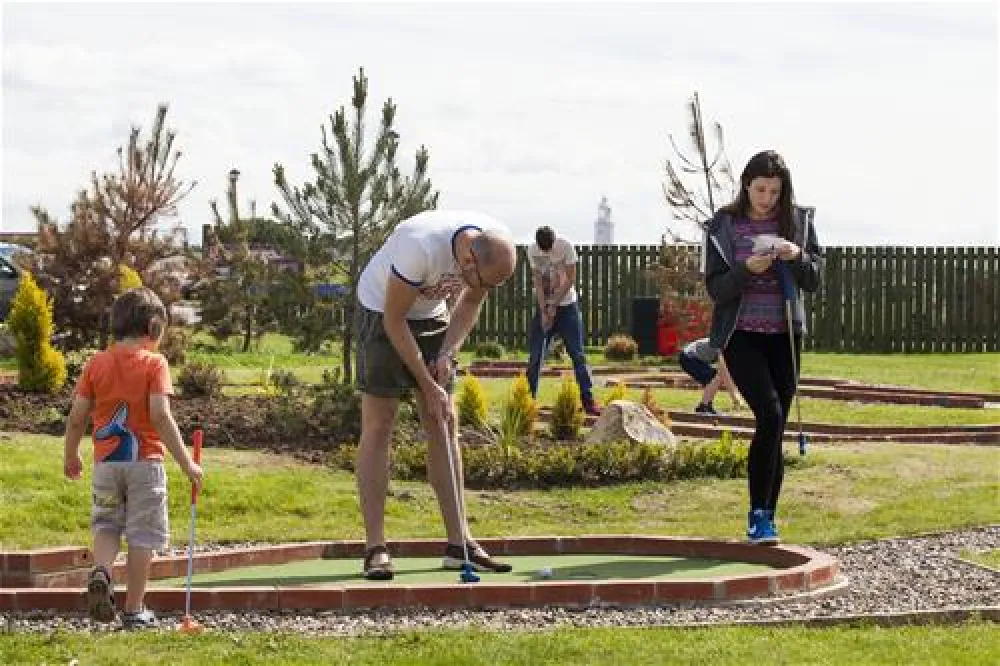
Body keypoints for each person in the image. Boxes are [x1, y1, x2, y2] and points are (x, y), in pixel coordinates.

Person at [354, 210, 517, 580]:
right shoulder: (419, 246)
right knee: (380, 423)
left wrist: (447, 354)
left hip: (431, 317)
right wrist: (427, 384)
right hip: (382, 311)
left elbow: (470, 303)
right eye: (480, 280)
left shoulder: (492, 248)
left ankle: (460, 543)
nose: (482, 289)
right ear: (467, 259)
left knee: (443, 421)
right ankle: (375, 548)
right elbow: (394, 321)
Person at [63, 287, 204, 628]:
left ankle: (102, 571)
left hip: (106, 464)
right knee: (143, 534)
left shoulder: (96, 363)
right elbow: (160, 415)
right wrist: (187, 462)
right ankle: (134, 609)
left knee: (107, 524)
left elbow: (77, 415)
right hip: (146, 465)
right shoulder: (155, 364)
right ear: (154, 328)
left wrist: (71, 455)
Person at [703, 150, 823, 545]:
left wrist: (796, 256)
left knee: (777, 425)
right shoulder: (723, 225)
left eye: (775, 191)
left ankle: (768, 519)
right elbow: (717, 289)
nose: (767, 198)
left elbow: (814, 279)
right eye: (760, 189)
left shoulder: (798, 222)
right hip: (741, 335)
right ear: (746, 185)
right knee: (769, 414)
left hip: (785, 334)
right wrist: (745, 270)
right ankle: (757, 516)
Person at [525, 226, 600, 416]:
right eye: (543, 249)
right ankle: (527, 400)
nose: (546, 253)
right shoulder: (532, 250)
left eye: (548, 249)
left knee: (577, 355)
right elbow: (538, 282)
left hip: (567, 308)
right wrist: (544, 309)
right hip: (546, 308)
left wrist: (554, 304)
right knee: (535, 356)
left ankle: (588, 400)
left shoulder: (565, 246)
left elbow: (570, 279)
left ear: (554, 241)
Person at [677, 337, 742, 415]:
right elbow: (725, 374)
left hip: (690, 357)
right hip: (688, 357)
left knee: (715, 377)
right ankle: (704, 406)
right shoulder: (724, 346)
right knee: (714, 377)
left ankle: (706, 406)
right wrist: (735, 397)